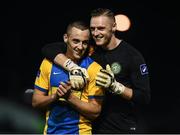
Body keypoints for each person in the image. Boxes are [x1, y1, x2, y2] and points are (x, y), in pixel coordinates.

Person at [41, 8, 151, 133]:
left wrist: (116, 87)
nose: (95, 33)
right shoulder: (89, 49)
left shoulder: (132, 56)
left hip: (120, 127)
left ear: (114, 27)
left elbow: (144, 97)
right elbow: (48, 49)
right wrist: (72, 66)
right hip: (92, 127)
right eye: (93, 28)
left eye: (101, 28)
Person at [32, 21, 104, 134]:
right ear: (66, 38)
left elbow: (95, 112)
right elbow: (36, 102)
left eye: (85, 43)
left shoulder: (94, 69)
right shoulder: (48, 64)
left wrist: (69, 97)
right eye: (76, 41)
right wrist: (55, 96)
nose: (80, 47)